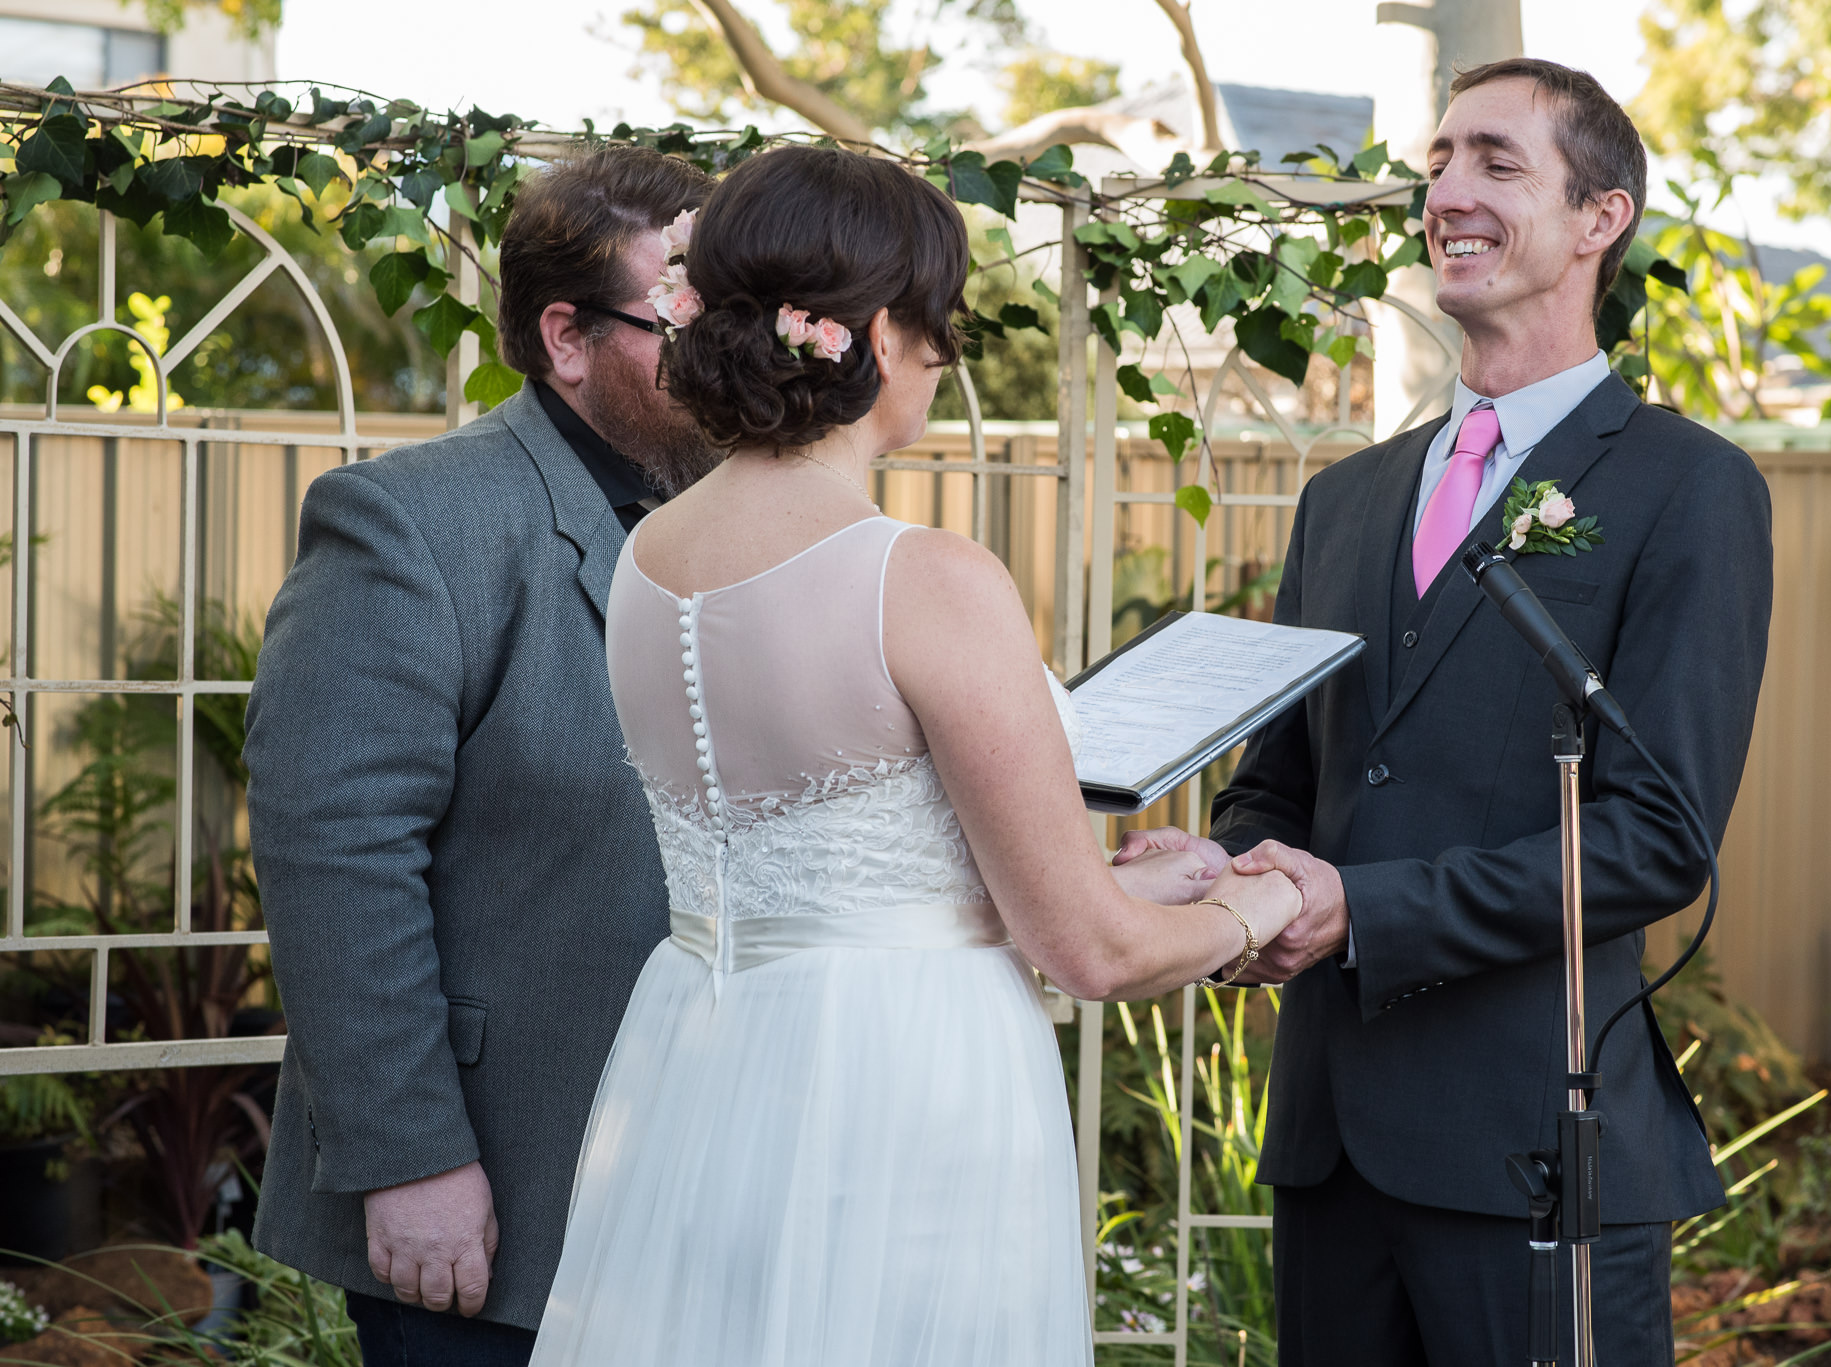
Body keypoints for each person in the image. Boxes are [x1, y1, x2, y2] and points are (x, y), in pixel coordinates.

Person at [526, 143, 1302, 1366]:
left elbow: (844, 868)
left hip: (699, 1064)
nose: (943, 356)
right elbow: (1088, 953)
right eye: (939, 323)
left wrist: (1142, 878)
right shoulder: (922, 577)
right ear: (878, 335)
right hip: (900, 1089)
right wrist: (1256, 907)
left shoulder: (645, 561)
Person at [1118, 59, 1773, 1364]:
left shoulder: (1689, 488)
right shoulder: (1347, 498)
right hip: (1330, 1142)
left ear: (1603, 217)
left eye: (1495, 162)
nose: (1447, 192)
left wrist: (1362, 909)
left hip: (1537, 1142)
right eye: (1437, 162)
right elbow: (1281, 778)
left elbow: (1657, 836)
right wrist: (1231, 869)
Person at [245, 145, 724, 1367]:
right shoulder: (409, 523)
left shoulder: (750, 532)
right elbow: (334, 854)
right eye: (681, 316)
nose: (722, 354)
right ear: (565, 336)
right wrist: (411, 1156)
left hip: (711, 1184)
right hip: (487, 1199)